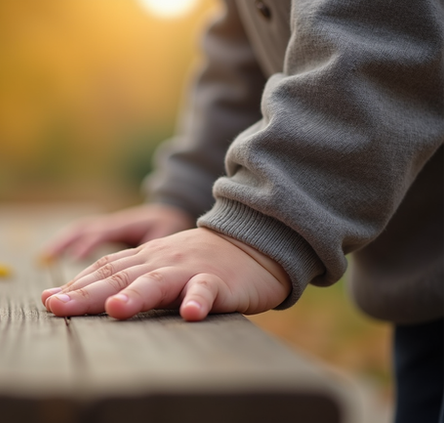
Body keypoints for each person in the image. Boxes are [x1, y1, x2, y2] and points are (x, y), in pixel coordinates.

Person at [39, 1, 444, 422]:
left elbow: (380, 29)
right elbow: (248, 48)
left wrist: (260, 227)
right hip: (423, 296)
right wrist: (187, 197)